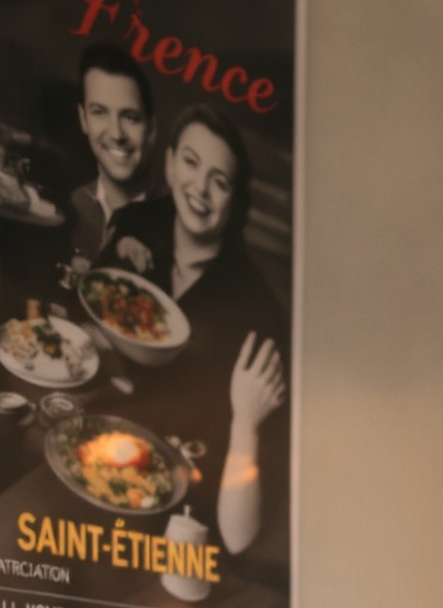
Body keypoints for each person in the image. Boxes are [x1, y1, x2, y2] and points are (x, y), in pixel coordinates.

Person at [106, 104, 287, 556]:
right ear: (168, 163)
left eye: (219, 181)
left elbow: (239, 537)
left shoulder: (259, 320)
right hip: (94, 465)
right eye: (190, 162)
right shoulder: (134, 226)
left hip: (176, 526)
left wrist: (247, 420)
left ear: (235, 203)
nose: (200, 189)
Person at [67, 44, 152, 263]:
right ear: (83, 119)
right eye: (99, 113)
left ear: (151, 128)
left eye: (130, 117)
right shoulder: (71, 207)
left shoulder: (179, 225)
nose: (116, 134)